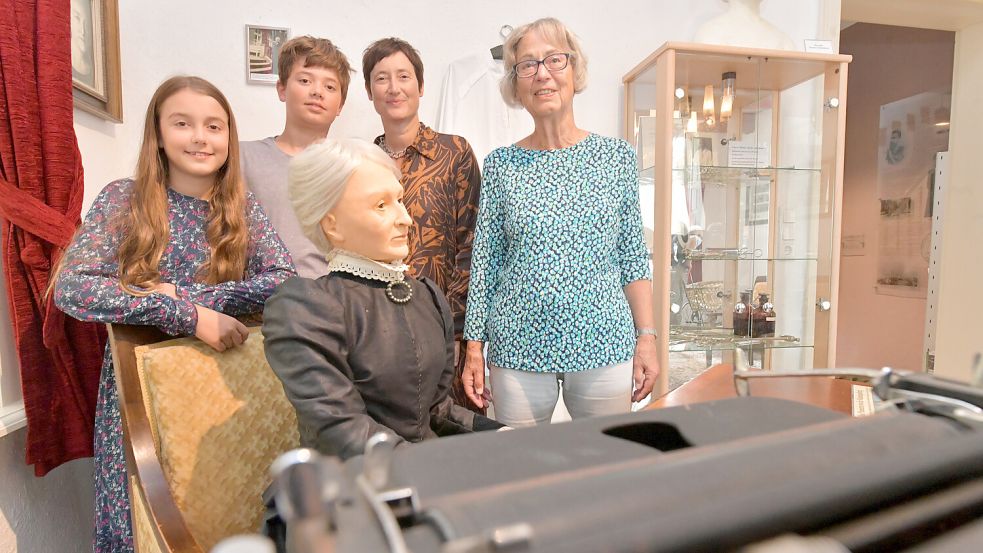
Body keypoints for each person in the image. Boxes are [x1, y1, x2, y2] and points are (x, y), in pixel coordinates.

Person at [52, 76, 295, 553]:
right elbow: (72, 288)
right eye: (183, 124)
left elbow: (283, 279)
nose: (200, 137)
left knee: (221, 509)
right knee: (144, 521)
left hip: (220, 382)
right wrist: (184, 315)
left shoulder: (240, 208)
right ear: (158, 134)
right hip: (140, 393)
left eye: (214, 126)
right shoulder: (125, 199)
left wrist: (187, 298)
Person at [462, 18, 661, 427]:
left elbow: (632, 256)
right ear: (516, 85)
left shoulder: (615, 157)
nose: (543, 74)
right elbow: (485, 265)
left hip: (604, 339)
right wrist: (474, 347)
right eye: (528, 65)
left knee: (606, 464)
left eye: (555, 60)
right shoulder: (501, 165)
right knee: (523, 470)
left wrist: (647, 337)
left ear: (575, 71)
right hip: (517, 344)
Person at [263, 138, 502, 461]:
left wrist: (502, 434)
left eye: (400, 199)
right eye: (381, 205)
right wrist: (437, 470)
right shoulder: (305, 307)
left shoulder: (427, 297)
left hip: (424, 476)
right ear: (331, 225)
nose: (405, 218)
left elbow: (436, 410)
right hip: (354, 490)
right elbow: (342, 430)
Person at [362, 38, 483, 411]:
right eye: (382, 78)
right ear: (369, 91)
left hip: (444, 331)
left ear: (421, 86)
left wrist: (459, 333)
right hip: (379, 335)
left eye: (404, 76)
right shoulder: (361, 162)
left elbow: (472, 245)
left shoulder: (454, 152)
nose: (394, 88)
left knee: (453, 439)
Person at [241, 36, 353, 278]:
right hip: (260, 304)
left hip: (332, 303)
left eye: (330, 87)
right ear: (282, 89)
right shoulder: (243, 158)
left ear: (340, 105)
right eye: (304, 80)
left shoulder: (353, 169)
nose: (317, 92)